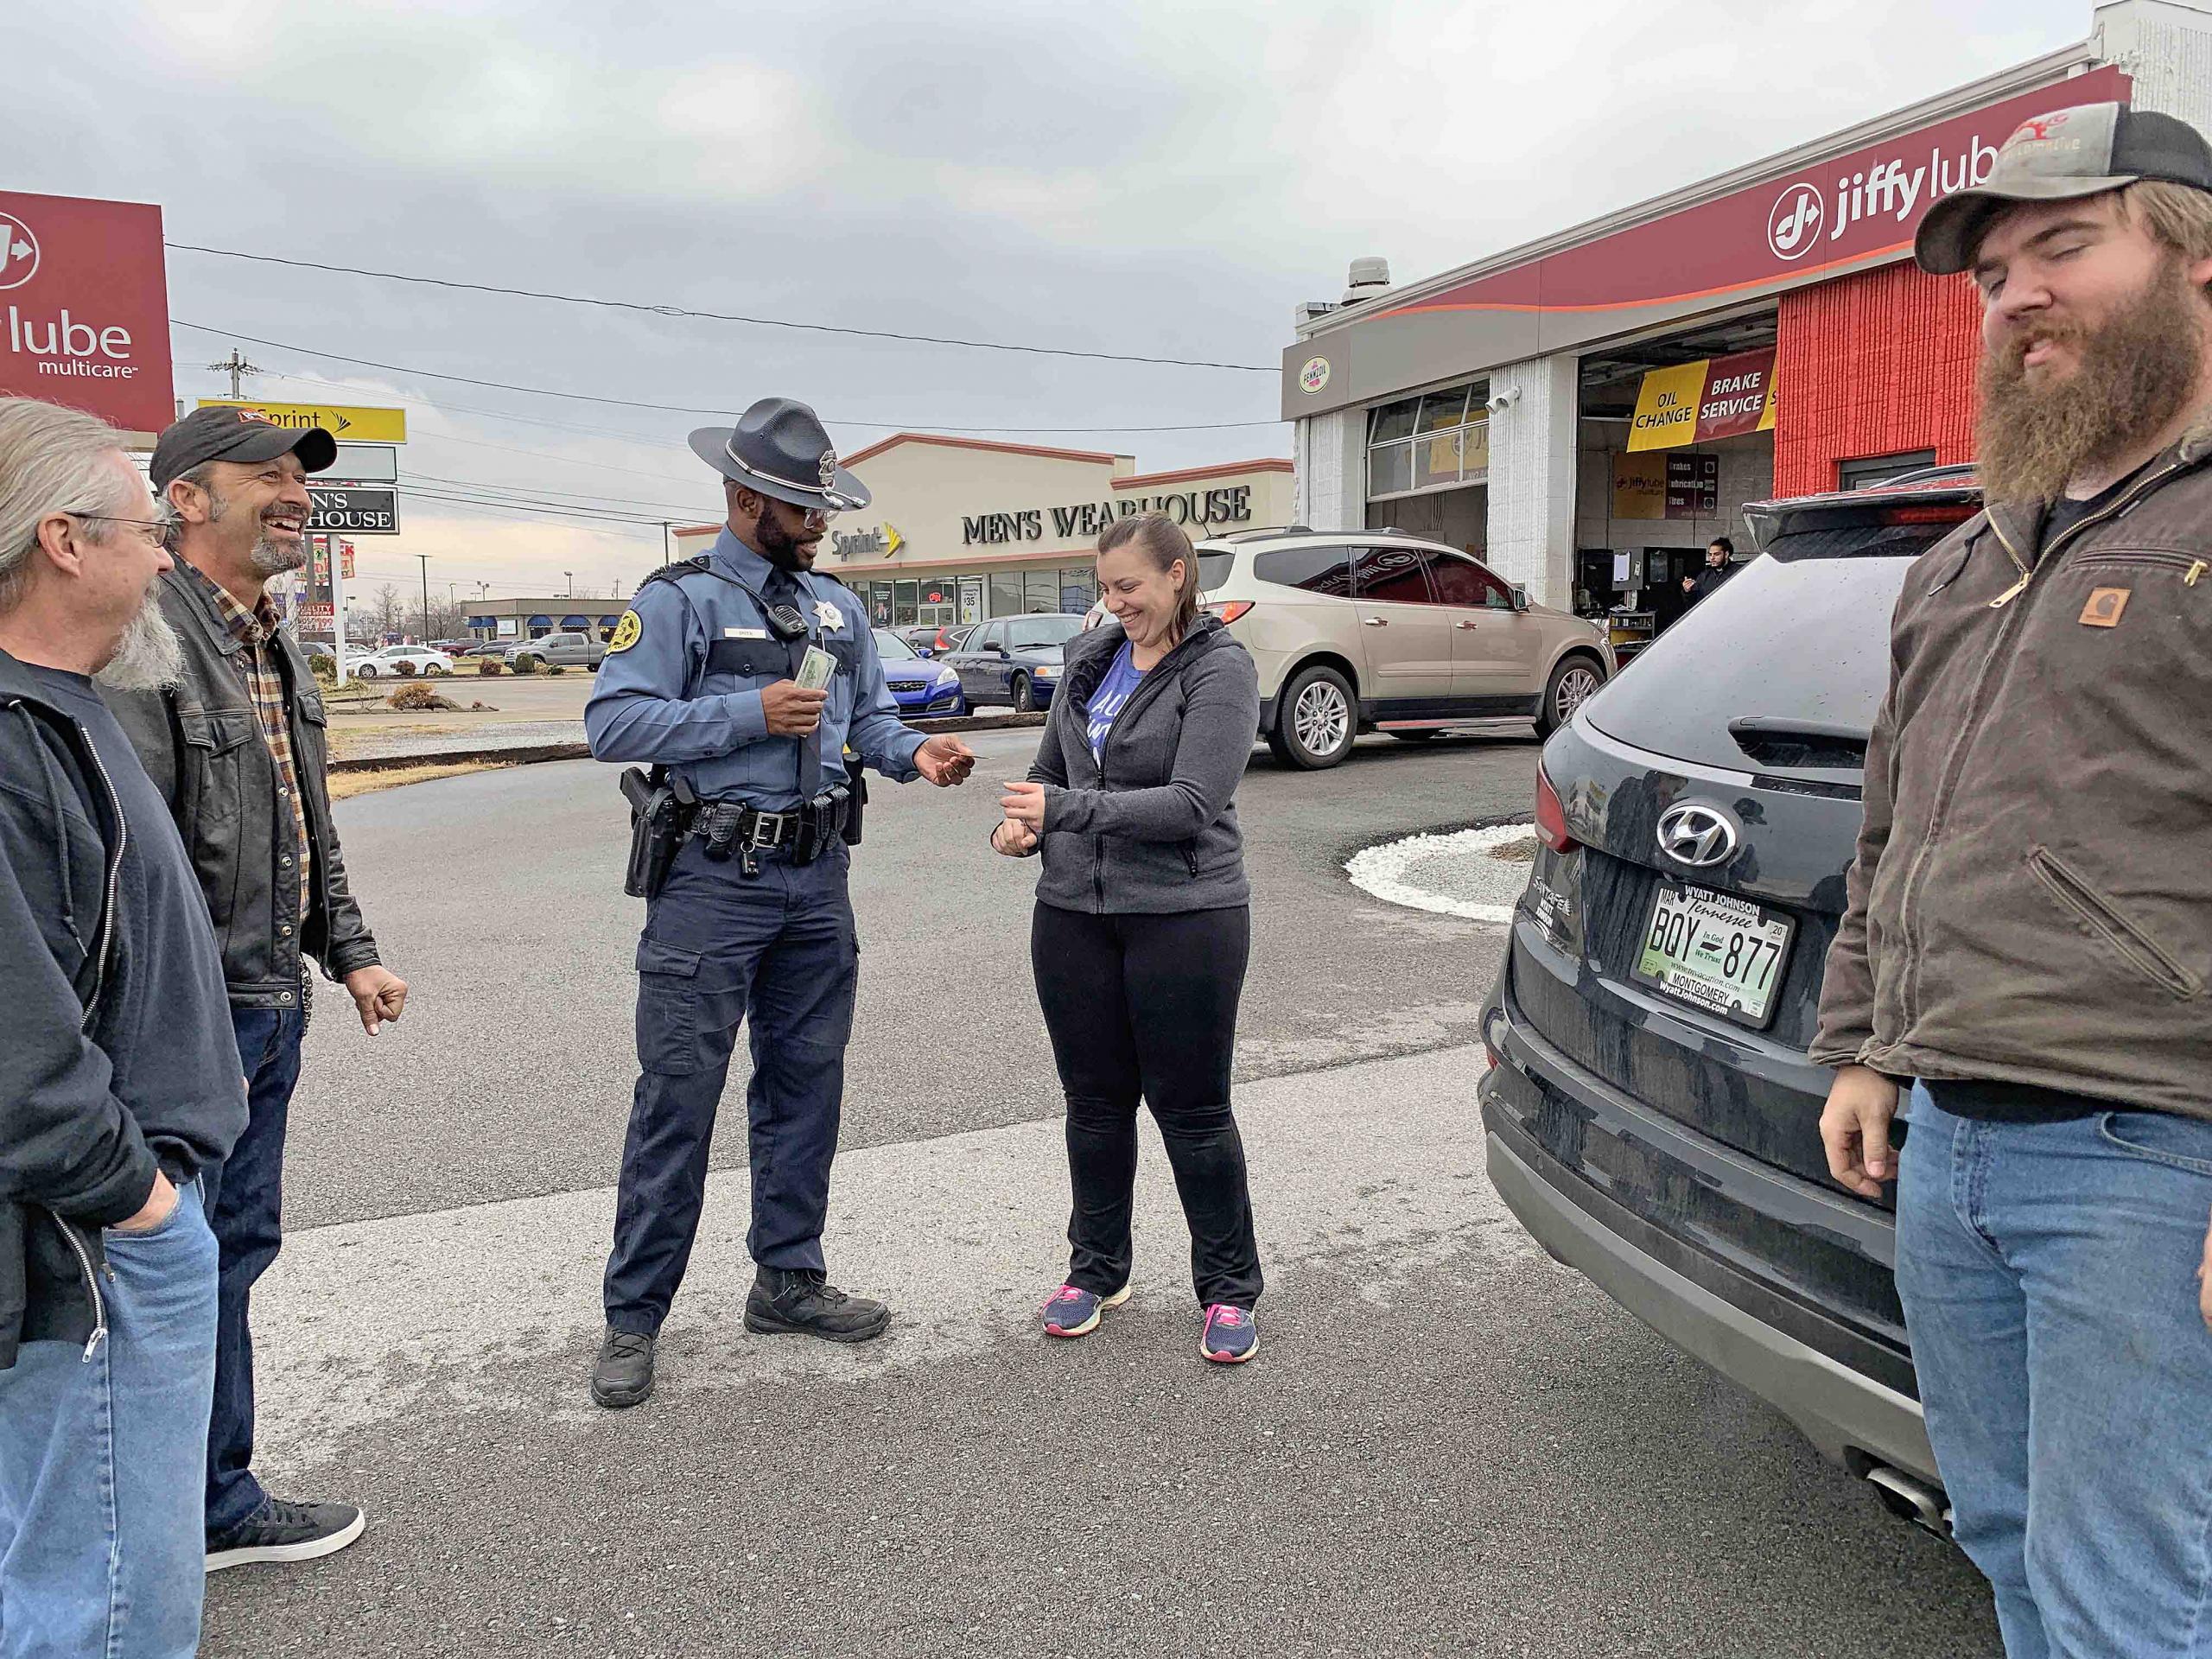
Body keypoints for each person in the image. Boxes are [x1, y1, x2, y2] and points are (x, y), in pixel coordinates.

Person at [1814, 103, 2212, 1658]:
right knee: (2004, 1537)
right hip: (1951, 1149)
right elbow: (1895, 821)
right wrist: (1867, 1047)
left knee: (2130, 1596)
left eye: (2064, 247)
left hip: (2147, 1158)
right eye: (1992, 275)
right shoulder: (1969, 559)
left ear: (2197, 262)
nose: (2015, 296)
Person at [584, 397, 976, 1408]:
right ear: (744, 498)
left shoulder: (839, 610)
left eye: (823, 510)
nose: (818, 527)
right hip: (712, 882)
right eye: (803, 510)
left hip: (816, 880)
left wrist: (915, 754)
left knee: (805, 1085)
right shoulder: (679, 600)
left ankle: (788, 1280)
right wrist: (745, 712)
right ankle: (634, 1318)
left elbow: (869, 723)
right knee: (678, 1097)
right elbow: (612, 722)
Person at [104, 405, 407, 1573]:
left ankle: (207, 1504)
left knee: (232, 1251)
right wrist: (164, 1029)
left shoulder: (268, 640)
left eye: (300, 477)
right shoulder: (147, 642)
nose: (295, 494)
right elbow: (135, 865)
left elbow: (299, 822)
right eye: (266, 475)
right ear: (185, 499)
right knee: (165, 1268)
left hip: (270, 1001)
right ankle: (162, 1521)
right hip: (194, 1017)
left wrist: (352, 949)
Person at [0, 398, 248, 1655]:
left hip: (111, 1220)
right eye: (148, 533)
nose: (163, 559)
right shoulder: (10, 735)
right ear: (64, 540)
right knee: (107, 1606)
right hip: (93, 1240)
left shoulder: (65, 702)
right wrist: (136, 1201)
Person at [994, 512, 1266, 1363]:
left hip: (1185, 916)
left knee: (1192, 1111)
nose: (1115, 603)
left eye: (1129, 587)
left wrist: (1065, 811)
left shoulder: (1220, 669)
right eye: (1104, 588)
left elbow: (1192, 803)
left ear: (1177, 576)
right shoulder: (1091, 659)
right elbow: (1050, 773)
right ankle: (1096, 1270)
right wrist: (1024, 826)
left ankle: (1228, 1288)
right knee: (1094, 1106)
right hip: (1073, 913)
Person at [1681, 537, 1734, 605]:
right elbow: (1693, 603)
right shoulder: (1704, 576)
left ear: (1726, 554)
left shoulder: (1738, 572)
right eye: (1710, 554)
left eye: (1716, 554)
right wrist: (1687, 591)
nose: (1712, 558)